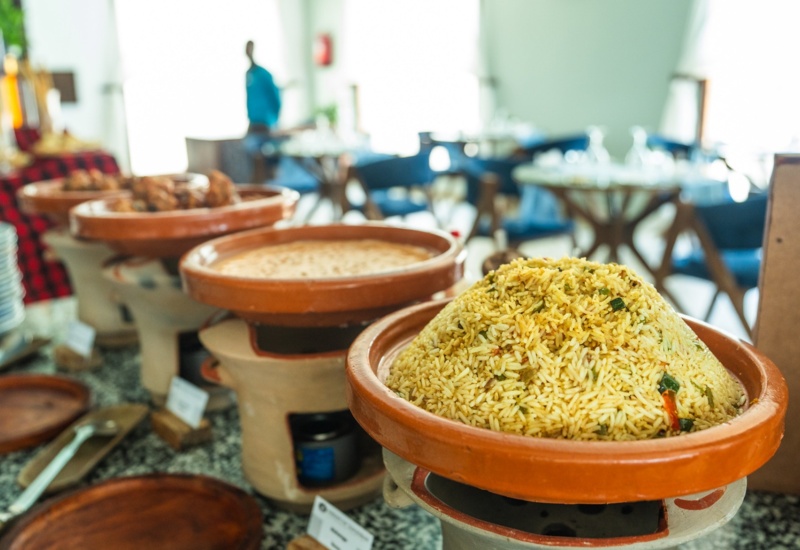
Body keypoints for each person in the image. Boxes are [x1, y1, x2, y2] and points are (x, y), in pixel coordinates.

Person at [244, 40, 282, 183]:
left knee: (268, 161)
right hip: (253, 123)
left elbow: (275, 97)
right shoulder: (249, 74)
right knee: (252, 159)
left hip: (266, 124)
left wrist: (273, 120)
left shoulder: (264, 74)